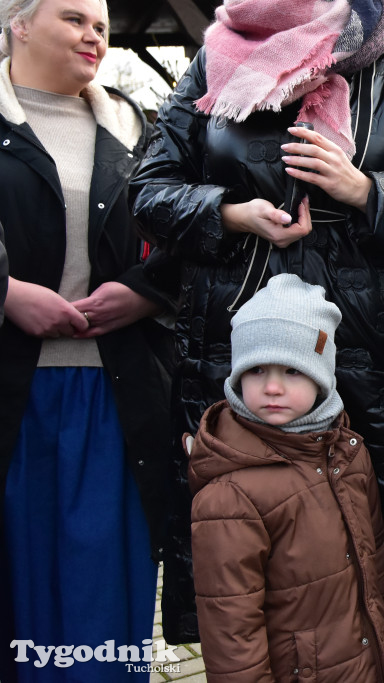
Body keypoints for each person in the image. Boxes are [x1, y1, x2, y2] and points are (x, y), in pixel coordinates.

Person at [130, 0, 384, 645]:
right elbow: (147, 191)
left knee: (359, 598)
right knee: (243, 594)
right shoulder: (215, 59)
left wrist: (365, 190)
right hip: (234, 362)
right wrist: (231, 214)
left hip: (363, 372)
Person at [0, 0, 177, 680]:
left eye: (101, 25)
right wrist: (7, 294)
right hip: (13, 401)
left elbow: (182, 241)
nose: (94, 35)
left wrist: (145, 290)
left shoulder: (140, 128)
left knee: (102, 602)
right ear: (18, 21)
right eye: (74, 18)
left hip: (114, 400)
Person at [187, 274, 384, 682]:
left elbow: (375, 575)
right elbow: (232, 634)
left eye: (291, 370)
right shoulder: (230, 496)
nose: (271, 387)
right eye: (255, 370)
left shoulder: (348, 455)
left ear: (322, 376)